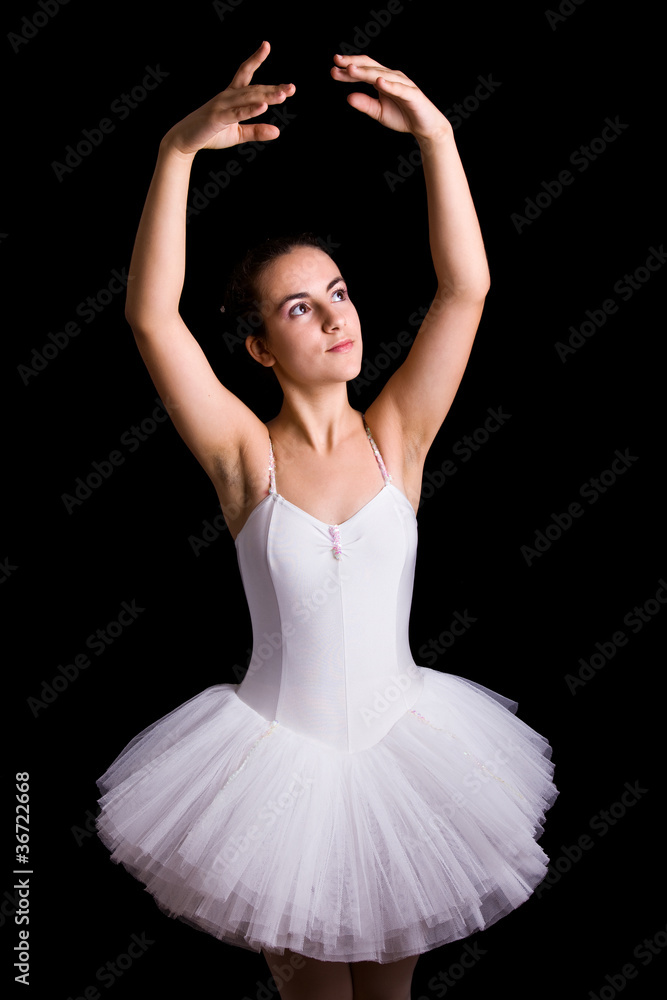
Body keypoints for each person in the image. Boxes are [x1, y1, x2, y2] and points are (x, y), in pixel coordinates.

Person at [96, 41, 558, 1000]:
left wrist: (434, 133)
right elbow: (151, 318)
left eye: (338, 293)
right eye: (300, 309)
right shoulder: (243, 456)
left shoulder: (399, 434)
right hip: (281, 785)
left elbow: (465, 287)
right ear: (261, 348)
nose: (334, 317)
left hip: (405, 763)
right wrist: (175, 154)